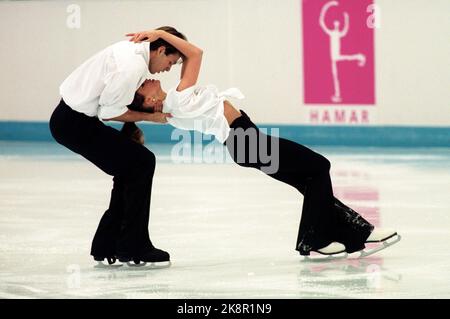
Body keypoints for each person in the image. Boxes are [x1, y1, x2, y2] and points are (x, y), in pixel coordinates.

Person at [122, 29, 400, 258]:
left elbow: (122, 112)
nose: (145, 80)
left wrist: (128, 112)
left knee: (309, 182)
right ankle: (315, 239)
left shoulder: (169, 113)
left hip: (243, 142)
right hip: (244, 139)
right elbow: (195, 53)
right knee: (319, 166)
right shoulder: (176, 100)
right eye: (141, 88)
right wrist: (158, 33)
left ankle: (355, 235)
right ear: (150, 101)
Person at [49, 26, 197, 266]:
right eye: (171, 62)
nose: (168, 69)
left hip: (72, 119)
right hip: (73, 124)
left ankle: (111, 244)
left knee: (132, 166)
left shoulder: (132, 52)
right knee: (141, 162)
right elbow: (109, 113)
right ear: (160, 50)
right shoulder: (132, 66)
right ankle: (132, 245)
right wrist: (151, 118)